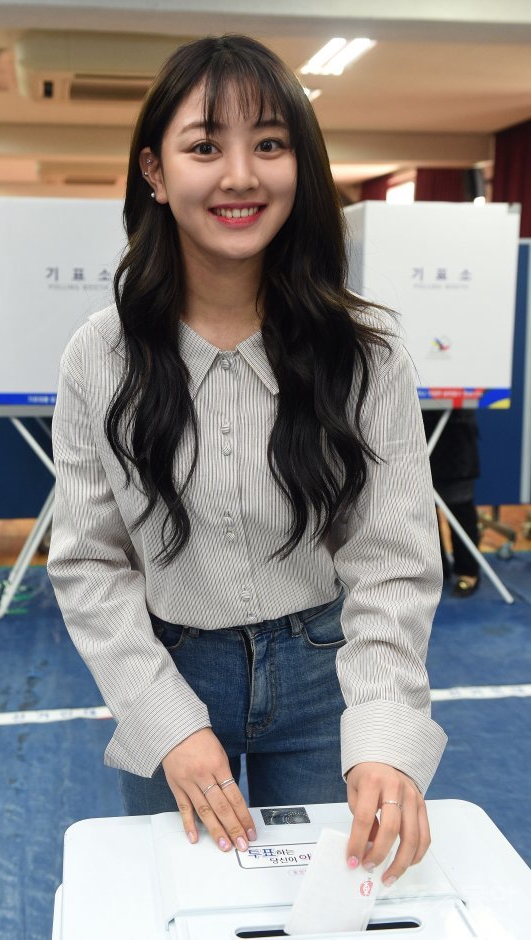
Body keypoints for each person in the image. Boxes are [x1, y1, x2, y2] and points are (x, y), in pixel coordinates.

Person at [47, 34, 446, 888]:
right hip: (170, 667)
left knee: (334, 903)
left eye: (269, 144)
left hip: (326, 672)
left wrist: (384, 731)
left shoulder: (366, 355)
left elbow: (392, 559)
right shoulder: (100, 356)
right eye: (205, 147)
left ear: (301, 166)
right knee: (183, 903)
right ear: (155, 172)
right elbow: (89, 562)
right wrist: (167, 720)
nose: (240, 175)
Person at [422, 410, 480, 597]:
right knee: (423, 512)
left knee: (460, 507)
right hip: (417, 433)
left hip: (456, 434)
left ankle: (467, 571)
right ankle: (435, 568)